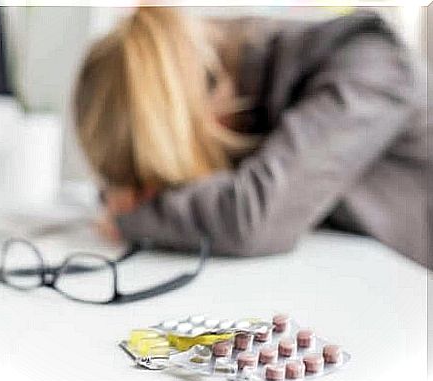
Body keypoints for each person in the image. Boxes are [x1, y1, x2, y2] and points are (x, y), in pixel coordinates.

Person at [73, 7, 431, 267]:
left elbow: (257, 217)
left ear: (211, 112)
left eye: (165, 185)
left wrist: (134, 217)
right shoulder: (237, 92)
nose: (168, 195)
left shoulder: (373, 62)